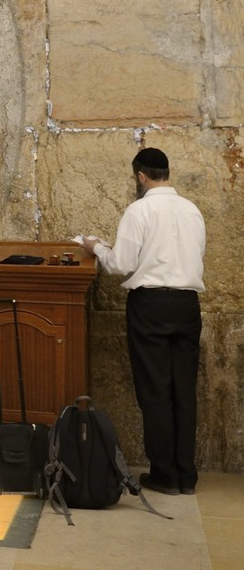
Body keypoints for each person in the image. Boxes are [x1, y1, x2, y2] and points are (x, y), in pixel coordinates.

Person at [81, 147, 205, 496]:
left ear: (140, 176)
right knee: (184, 391)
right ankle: (186, 475)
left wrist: (96, 247)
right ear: (167, 172)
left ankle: (164, 475)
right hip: (187, 304)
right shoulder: (192, 210)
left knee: (155, 390)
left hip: (151, 304)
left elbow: (120, 263)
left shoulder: (139, 210)